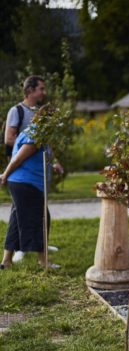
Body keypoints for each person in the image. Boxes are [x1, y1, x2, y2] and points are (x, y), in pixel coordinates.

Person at [4, 75, 62, 262]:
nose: (44, 92)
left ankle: (6, 260)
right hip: (25, 179)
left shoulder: (35, 130)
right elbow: (17, 153)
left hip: (26, 179)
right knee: (40, 218)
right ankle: (41, 259)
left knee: (17, 217)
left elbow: (45, 146)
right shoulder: (33, 132)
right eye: (41, 89)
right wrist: (5, 174)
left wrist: (53, 160)